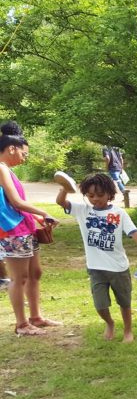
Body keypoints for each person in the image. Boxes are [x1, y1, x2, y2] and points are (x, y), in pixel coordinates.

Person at [56, 173, 137, 343]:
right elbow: (61, 202)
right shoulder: (83, 211)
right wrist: (65, 189)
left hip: (118, 268)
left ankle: (128, 330)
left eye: (100, 195)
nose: (95, 199)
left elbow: (134, 232)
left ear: (110, 193)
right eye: (91, 196)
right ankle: (109, 323)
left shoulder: (119, 213)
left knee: (124, 302)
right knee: (100, 305)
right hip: (96, 268)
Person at [0, 122, 60, 336]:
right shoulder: (0, 168)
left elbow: (15, 203)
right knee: (19, 278)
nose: (24, 159)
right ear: (12, 148)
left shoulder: (8, 170)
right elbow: (16, 202)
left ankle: (36, 317)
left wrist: (36, 217)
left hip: (26, 228)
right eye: (23, 154)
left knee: (35, 273)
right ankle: (21, 324)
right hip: (13, 232)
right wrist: (43, 213)